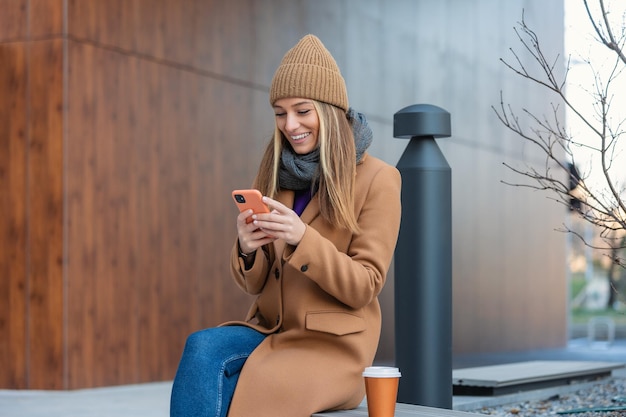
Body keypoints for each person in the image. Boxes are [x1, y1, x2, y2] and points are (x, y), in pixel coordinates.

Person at [170, 34, 401, 417]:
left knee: (264, 386)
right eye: (280, 113)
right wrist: (247, 248)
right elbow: (255, 284)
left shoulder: (379, 179)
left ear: (329, 110)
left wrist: (301, 238)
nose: (290, 124)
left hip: (330, 345)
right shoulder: (277, 173)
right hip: (271, 330)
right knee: (202, 349)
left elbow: (365, 285)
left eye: (302, 110)